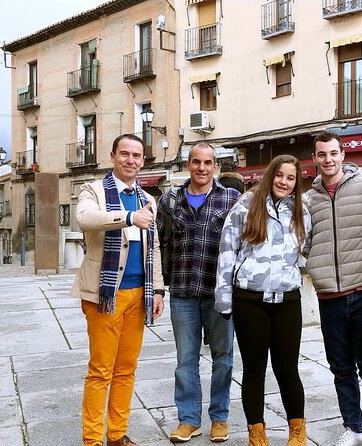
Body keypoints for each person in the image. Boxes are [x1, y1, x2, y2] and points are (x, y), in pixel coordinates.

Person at [71, 134, 165, 446]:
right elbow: (84, 219)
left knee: (126, 369)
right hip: (104, 294)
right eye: (124, 153)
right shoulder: (94, 190)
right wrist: (127, 217)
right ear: (112, 156)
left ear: (142, 160)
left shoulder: (147, 199)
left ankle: (117, 435)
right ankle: (93, 440)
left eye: (136, 155)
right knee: (101, 371)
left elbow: (155, 250)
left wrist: (159, 291)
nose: (130, 160)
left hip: (140, 294)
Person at [215, 155, 312, 446]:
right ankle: (256, 432)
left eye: (290, 177)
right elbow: (227, 251)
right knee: (254, 369)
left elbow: (306, 250)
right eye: (279, 175)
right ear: (270, 175)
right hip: (250, 299)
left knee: (287, 368)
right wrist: (224, 300)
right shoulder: (246, 205)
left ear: (297, 182)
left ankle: (297, 429)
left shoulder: (301, 211)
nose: (284, 182)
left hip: (287, 300)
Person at [304, 131, 362, 446]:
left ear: (343, 155)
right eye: (322, 154)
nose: (328, 159)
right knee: (341, 367)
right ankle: (352, 427)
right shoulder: (309, 199)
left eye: (333, 153)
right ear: (315, 158)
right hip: (328, 297)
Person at [156, 142, 240, 443]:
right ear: (187, 164)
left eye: (208, 162)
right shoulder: (170, 200)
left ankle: (219, 417)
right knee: (185, 360)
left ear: (215, 166)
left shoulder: (231, 198)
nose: (202, 168)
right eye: (196, 162)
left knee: (224, 358)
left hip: (219, 294)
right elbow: (160, 243)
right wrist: (158, 287)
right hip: (182, 292)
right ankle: (189, 419)